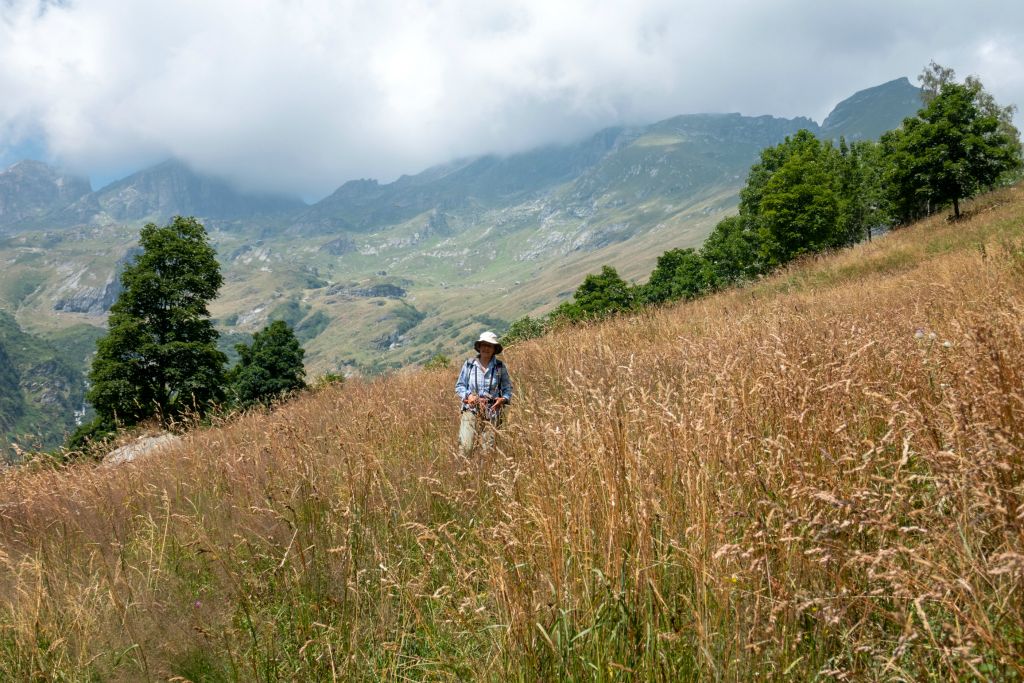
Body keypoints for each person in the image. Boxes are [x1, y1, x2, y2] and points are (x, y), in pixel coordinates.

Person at [455, 331, 513, 457]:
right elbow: (460, 386)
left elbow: (508, 388)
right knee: (466, 447)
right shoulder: (469, 364)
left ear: (494, 349)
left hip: (492, 412)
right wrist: (469, 396)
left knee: (487, 451)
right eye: (483, 345)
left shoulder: (499, 367)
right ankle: (463, 473)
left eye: (489, 345)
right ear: (479, 347)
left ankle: (482, 475)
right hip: (471, 410)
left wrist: (503, 399)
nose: (486, 348)